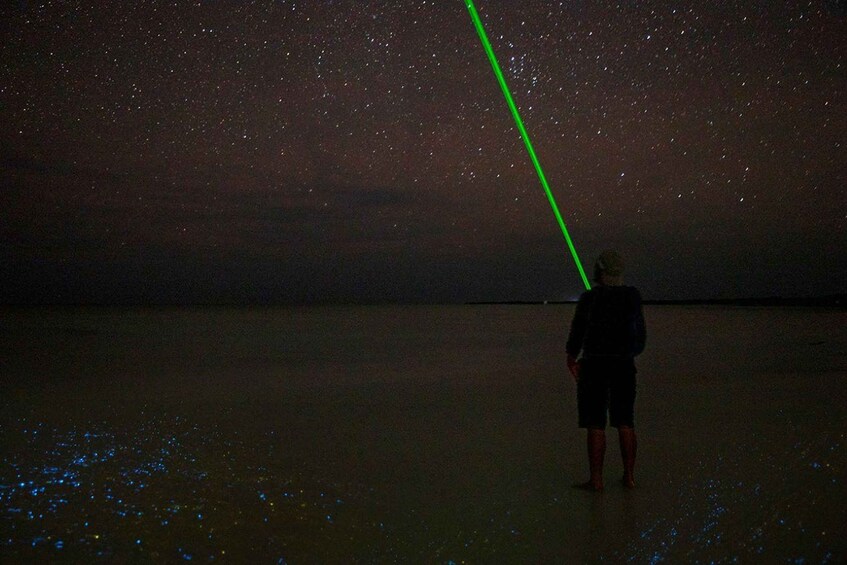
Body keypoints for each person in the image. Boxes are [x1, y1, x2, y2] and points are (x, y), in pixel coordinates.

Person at [566, 250, 646, 491]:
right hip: (622, 365)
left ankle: (597, 480)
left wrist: (572, 357)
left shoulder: (589, 299)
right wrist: (628, 353)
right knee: (625, 421)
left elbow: (577, 332)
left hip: (594, 366)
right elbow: (640, 336)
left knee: (595, 423)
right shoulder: (632, 296)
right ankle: (629, 478)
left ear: (599, 272)